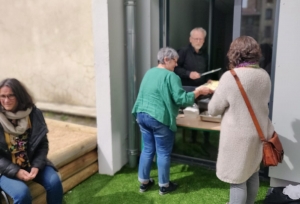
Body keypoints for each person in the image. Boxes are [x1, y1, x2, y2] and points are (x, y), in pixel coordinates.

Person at [132, 47, 213, 195]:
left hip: (141, 115)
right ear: (166, 60)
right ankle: (164, 186)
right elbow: (181, 99)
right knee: (162, 152)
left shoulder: (149, 72)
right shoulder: (171, 76)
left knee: (148, 149)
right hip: (158, 118)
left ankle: (144, 182)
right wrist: (199, 91)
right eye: (175, 62)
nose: (176, 65)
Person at [208, 36, 275, 204]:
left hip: (237, 137)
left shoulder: (230, 77)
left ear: (234, 54)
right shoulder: (264, 75)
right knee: (252, 172)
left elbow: (213, 109)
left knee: (237, 180)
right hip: (259, 133)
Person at [0, 78, 63, 204]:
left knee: (54, 182)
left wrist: (37, 165)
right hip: (4, 169)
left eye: (11, 96)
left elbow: (42, 144)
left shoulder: (33, 113)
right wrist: (16, 171)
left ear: (20, 95)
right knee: (22, 194)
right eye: (2, 96)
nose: (6, 100)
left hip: (32, 163)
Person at [174, 27, 211, 144]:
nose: (198, 41)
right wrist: (188, 74)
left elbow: (208, 69)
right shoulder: (183, 51)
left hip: (202, 90)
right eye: (196, 39)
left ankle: (204, 141)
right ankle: (186, 142)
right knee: (188, 116)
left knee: (203, 114)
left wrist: (209, 79)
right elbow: (174, 68)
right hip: (187, 90)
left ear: (204, 40)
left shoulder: (205, 54)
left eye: (201, 39)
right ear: (190, 39)